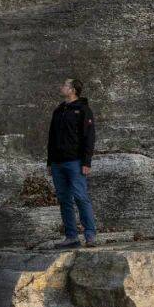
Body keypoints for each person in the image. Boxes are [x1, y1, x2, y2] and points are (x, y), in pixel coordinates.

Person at [47, 77, 98, 248]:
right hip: (57, 163)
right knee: (64, 200)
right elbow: (52, 137)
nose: (62, 87)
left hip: (75, 162)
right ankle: (71, 237)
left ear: (73, 90)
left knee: (80, 197)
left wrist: (86, 162)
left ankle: (90, 235)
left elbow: (89, 137)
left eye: (65, 85)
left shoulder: (83, 110)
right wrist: (50, 162)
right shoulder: (58, 110)